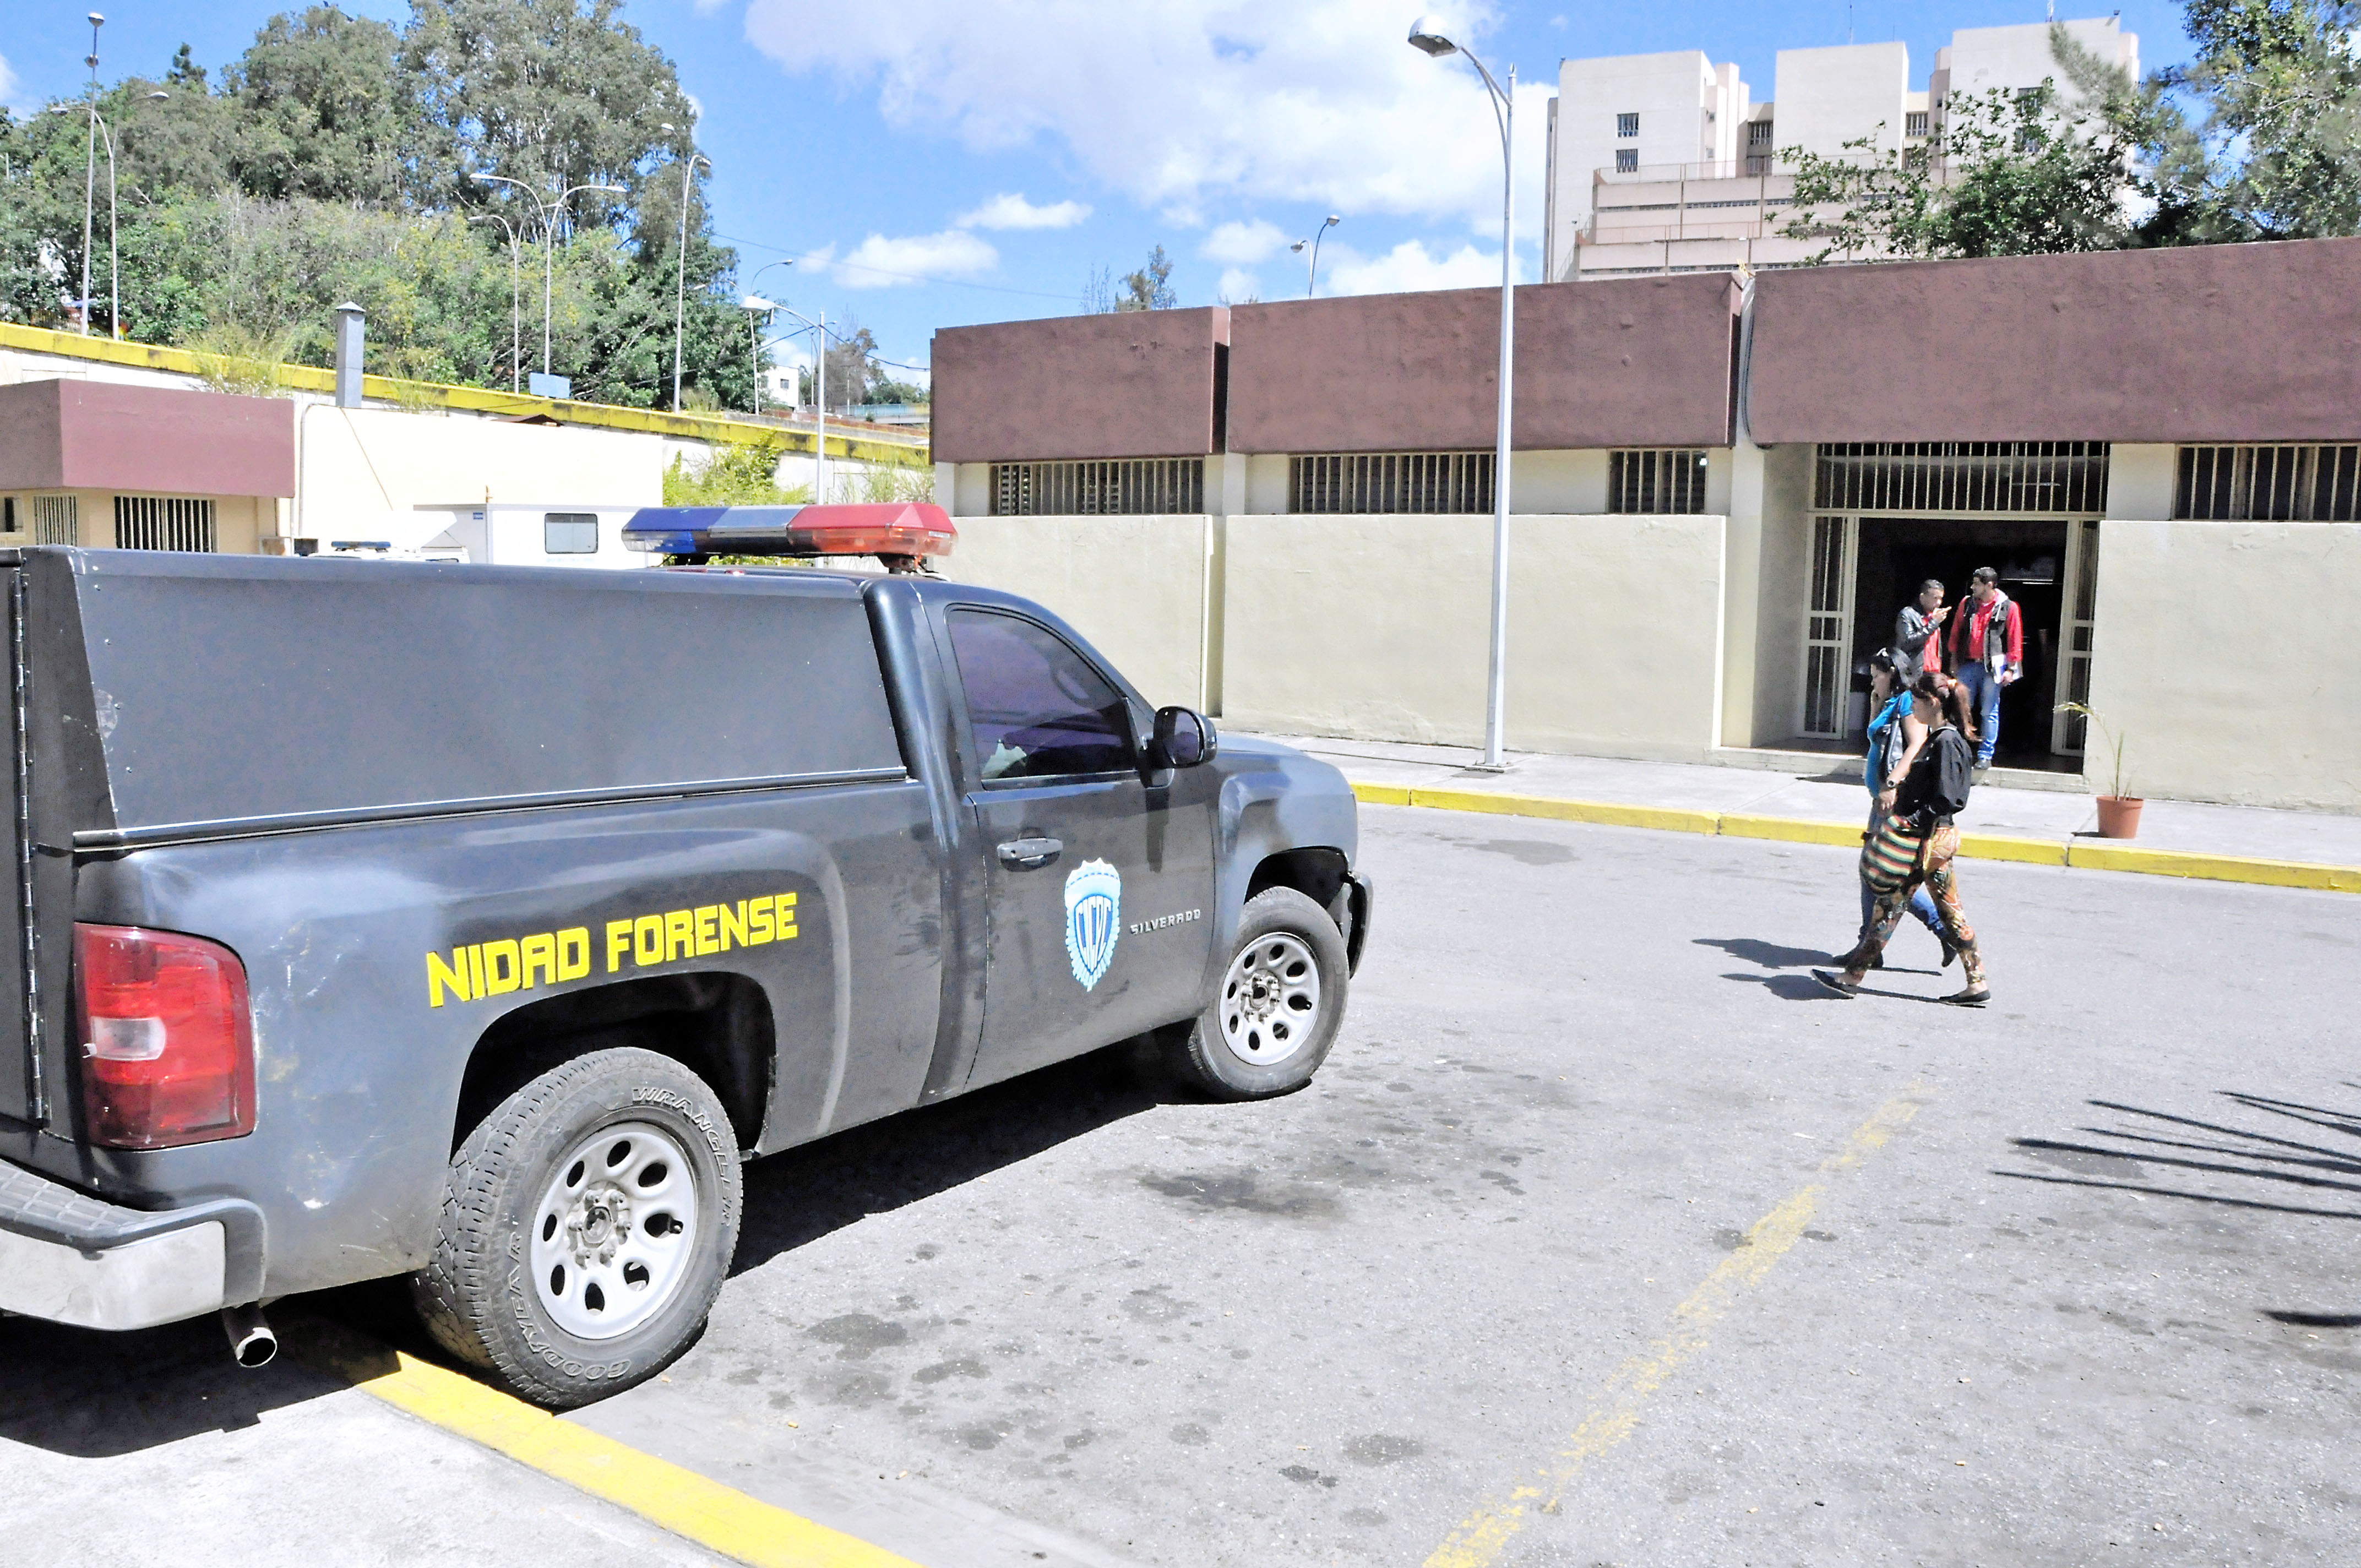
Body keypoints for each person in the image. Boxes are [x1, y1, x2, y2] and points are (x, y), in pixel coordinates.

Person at [1814, 668, 1990, 1006]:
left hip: (1927, 840)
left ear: (1933, 702)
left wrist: (1910, 822)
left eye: (1918, 701)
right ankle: (1976, 981)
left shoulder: (1947, 741)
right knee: (1948, 913)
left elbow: (1952, 798)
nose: (1914, 708)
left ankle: (1851, 978)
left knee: (1890, 909)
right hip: (1932, 839)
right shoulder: (1941, 738)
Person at [1852, 651, 1951, 967]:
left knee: (1882, 875)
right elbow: (1874, 738)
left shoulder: (1908, 702)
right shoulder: (1891, 702)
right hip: (1880, 800)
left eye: (1876, 674)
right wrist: (1875, 702)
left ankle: (1940, 930)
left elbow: (1916, 744)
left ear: (1892, 672)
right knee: (1877, 874)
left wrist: (1892, 784)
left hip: (1893, 800)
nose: (1872, 680)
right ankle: (1870, 948)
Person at [1946, 566, 2021, 776]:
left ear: (1989, 585)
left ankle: (1985, 755)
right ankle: (1960, 751)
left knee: (1989, 711)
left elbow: (2014, 638)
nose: (1973, 587)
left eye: (1977, 584)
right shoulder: (1966, 604)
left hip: (1992, 667)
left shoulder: (2008, 607)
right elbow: (1956, 631)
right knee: (1962, 707)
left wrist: (2011, 668)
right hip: (1967, 663)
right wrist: (1953, 659)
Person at [1892, 580, 1949, 683]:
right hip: (1915, 675)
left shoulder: (1935, 618)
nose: (1939, 603)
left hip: (1935, 674)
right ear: (1922, 598)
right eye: (1935, 598)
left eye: (1941, 598)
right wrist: (1934, 623)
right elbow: (1907, 643)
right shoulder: (1908, 614)